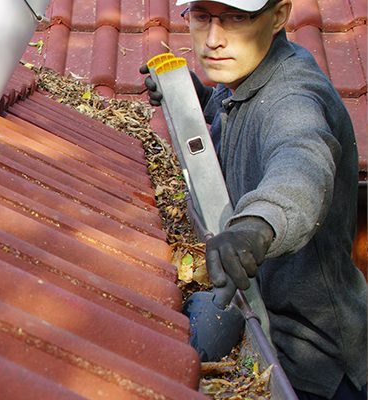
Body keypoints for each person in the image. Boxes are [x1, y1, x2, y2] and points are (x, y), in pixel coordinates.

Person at [140, 0, 367, 399]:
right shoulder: (250, 80)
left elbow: (301, 162)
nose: (213, 39)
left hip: (317, 368)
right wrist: (198, 100)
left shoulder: (292, 99)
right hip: (269, 332)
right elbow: (242, 119)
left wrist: (255, 228)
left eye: (236, 18)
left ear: (278, 16)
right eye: (202, 17)